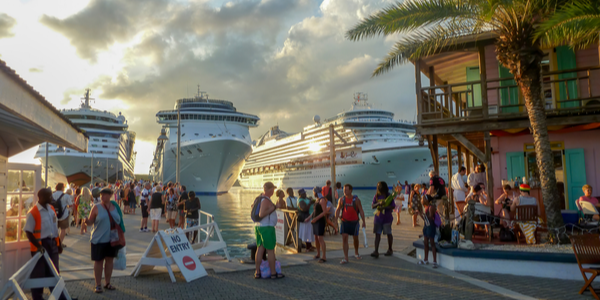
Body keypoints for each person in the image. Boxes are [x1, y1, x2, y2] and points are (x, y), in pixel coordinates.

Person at [24, 188, 67, 300]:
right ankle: (37, 298)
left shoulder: (51, 208)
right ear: (42, 198)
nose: (51, 199)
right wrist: (39, 247)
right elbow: (28, 232)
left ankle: (61, 297)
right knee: (39, 274)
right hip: (41, 246)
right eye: (49, 196)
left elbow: (54, 228)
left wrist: (59, 244)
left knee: (55, 272)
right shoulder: (33, 213)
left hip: (52, 243)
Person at [86, 188, 125, 294]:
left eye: (105, 195)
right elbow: (90, 222)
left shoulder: (115, 207)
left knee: (109, 261)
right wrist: (86, 221)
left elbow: (120, 220)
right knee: (98, 262)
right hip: (98, 239)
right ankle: (98, 284)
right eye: (101, 195)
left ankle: (107, 283)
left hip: (112, 239)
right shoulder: (96, 207)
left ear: (110, 195)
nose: (102, 196)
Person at [254, 182, 285, 279]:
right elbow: (261, 214)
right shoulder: (266, 200)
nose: (273, 191)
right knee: (270, 250)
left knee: (260, 249)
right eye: (273, 189)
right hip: (267, 228)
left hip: (259, 226)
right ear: (270, 189)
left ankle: (257, 272)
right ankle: (273, 273)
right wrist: (274, 207)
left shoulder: (258, 198)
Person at [335, 183, 366, 265]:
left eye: (346, 190)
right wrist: (335, 221)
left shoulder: (356, 200)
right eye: (344, 189)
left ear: (351, 190)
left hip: (354, 222)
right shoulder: (341, 200)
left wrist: (364, 221)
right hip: (344, 221)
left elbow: (361, 210)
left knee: (355, 238)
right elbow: (338, 210)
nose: (344, 191)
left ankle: (356, 252)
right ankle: (346, 257)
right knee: (344, 238)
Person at [371, 181, 395, 258]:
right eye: (378, 187)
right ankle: (376, 250)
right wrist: (378, 204)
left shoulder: (389, 196)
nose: (379, 188)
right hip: (378, 218)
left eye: (380, 187)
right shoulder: (376, 196)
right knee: (377, 234)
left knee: (388, 233)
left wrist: (384, 207)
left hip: (387, 218)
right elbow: (372, 206)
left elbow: (393, 206)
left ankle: (390, 249)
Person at [418, 195, 438, 268]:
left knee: (432, 243)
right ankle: (425, 259)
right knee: (425, 242)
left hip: (431, 226)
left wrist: (422, 213)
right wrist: (420, 214)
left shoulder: (431, 207)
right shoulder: (426, 207)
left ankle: (434, 261)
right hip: (426, 226)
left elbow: (429, 217)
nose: (422, 200)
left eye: (423, 198)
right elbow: (425, 219)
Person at [53, 183, 73, 248]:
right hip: (64, 215)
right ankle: (60, 243)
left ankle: (54, 243)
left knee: (54, 229)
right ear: (62, 188)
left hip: (54, 214)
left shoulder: (52, 195)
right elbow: (70, 204)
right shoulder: (66, 196)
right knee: (63, 230)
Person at [311, 196, 328, 263]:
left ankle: (324, 256)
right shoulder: (317, 200)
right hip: (315, 221)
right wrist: (310, 218)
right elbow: (314, 211)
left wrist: (316, 218)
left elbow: (325, 211)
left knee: (320, 238)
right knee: (316, 238)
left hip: (320, 221)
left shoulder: (322, 200)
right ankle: (318, 253)